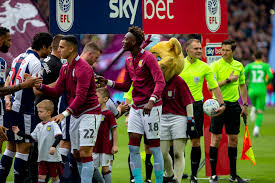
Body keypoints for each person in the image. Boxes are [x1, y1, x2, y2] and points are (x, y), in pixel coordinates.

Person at [98, 26, 165, 183]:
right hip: (136, 108)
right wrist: (107, 82)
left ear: (134, 42)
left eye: (126, 39)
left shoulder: (149, 58)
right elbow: (126, 86)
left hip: (152, 107)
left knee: (154, 148)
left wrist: (152, 100)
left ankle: (160, 180)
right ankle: (138, 180)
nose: (123, 41)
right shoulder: (129, 61)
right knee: (133, 147)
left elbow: (160, 81)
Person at [36, 35, 102, 183]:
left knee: (85, 152)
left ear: (71, 48)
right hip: (76, 115)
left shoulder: (84, 68)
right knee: (77, 153)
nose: (58, 50)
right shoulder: (65, 68)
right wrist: (40, 86)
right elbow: (57, 90)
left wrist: (65, 114)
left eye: (61, 47)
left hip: (89, 113)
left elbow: (81, 96)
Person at [0, 32, 52, 183]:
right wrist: (57, 86)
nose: (49, 52)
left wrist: (8, 99)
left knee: (10, 149)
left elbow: (8, 80)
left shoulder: (18, 57)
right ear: (43, 46)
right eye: (49, 48)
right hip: (24, 110)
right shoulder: (36, 62)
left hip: (11, 107)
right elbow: (36, 90)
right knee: (23, 150)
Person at [178, 39, 225, 183]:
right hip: (178, 107)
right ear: (187, 50)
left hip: (195, 107)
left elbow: (214, 86)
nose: (199, 51)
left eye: (200, 48)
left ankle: (194, 176)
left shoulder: (205, 67)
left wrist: (221, 103)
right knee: (177, 143)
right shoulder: (178, 65)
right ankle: (175, 174)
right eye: (196, 48)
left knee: (195, 142)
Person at [209, 39, 248, 183]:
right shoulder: (215, 65)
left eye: (227, 50)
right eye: (222, 50)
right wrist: (228, 80)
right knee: (216, 139)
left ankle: (233, 175)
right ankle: (213, 175)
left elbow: (243, 86)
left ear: (233, 51)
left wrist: (244, 105)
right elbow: (211, 87)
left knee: (234, 139)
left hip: (233, 106)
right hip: (218, 106)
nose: (224, 53)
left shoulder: (239, 66)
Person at [12, 100, 63, 183]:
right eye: (38, 111)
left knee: (55, 177)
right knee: (41, 177)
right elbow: (32, 137)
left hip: (53, 158)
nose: (38, 113)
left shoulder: (53, 124)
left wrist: (53, 146)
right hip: (42, 158)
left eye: (41, 111)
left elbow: (59, 136)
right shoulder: (39, 126)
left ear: (49, 112)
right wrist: (19, 133)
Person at [124, 86, 153, 183]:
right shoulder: (134, 79)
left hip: (150, 116)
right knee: (133, 147)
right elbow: (127, 97)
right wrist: (127, 115)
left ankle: (148, 178)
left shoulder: (151, 79)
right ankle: (133, 177)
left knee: (149, 148)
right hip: (135, 116)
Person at [244, 51, 273, 137]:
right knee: (260, 111)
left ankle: (253, 108)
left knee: (254, 104)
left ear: (254, 57)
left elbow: (244, 75)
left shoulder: (249, 66)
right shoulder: (265, 66)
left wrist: (248, 82)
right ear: (262, 57)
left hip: (252, 90)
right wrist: (266, 83)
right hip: (261, 89)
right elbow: (271, 76)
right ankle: (256, 130)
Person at [93, 87, 118, 183]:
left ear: (105, 99)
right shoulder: (94, 112)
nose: (95, 99)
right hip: (95, 145)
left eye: (97, 97)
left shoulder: (108, 114)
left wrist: (115, 145)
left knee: (105, 169)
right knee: (92, 167)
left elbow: (114, 130)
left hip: (106, 146)